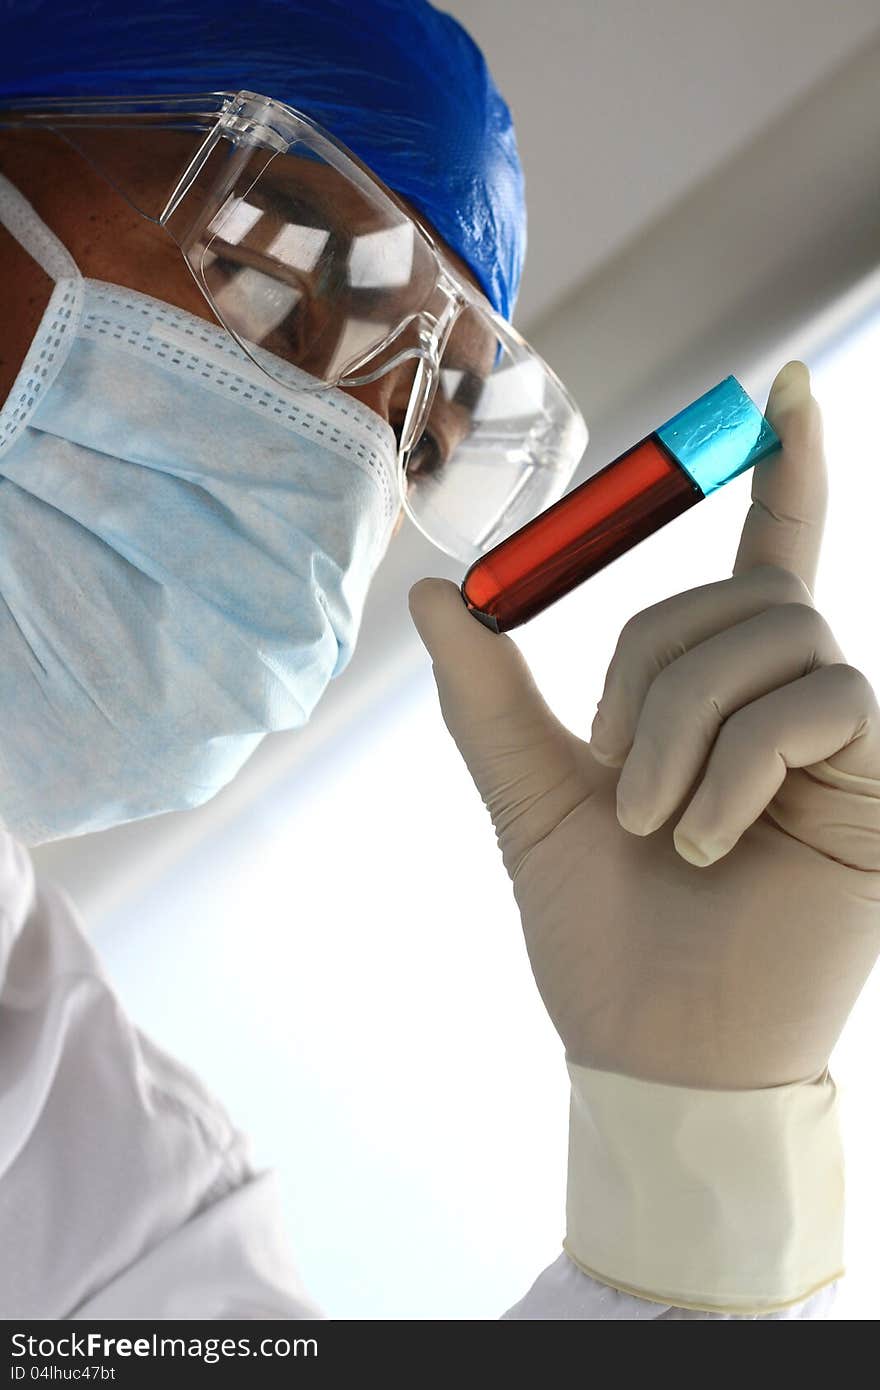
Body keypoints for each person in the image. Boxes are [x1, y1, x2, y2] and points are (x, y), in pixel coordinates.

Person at [0, 1, 878, 1322]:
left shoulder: (103, 1214)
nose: (337, 461)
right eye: (290, 280)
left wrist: (697, 1170)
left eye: (425, 436)